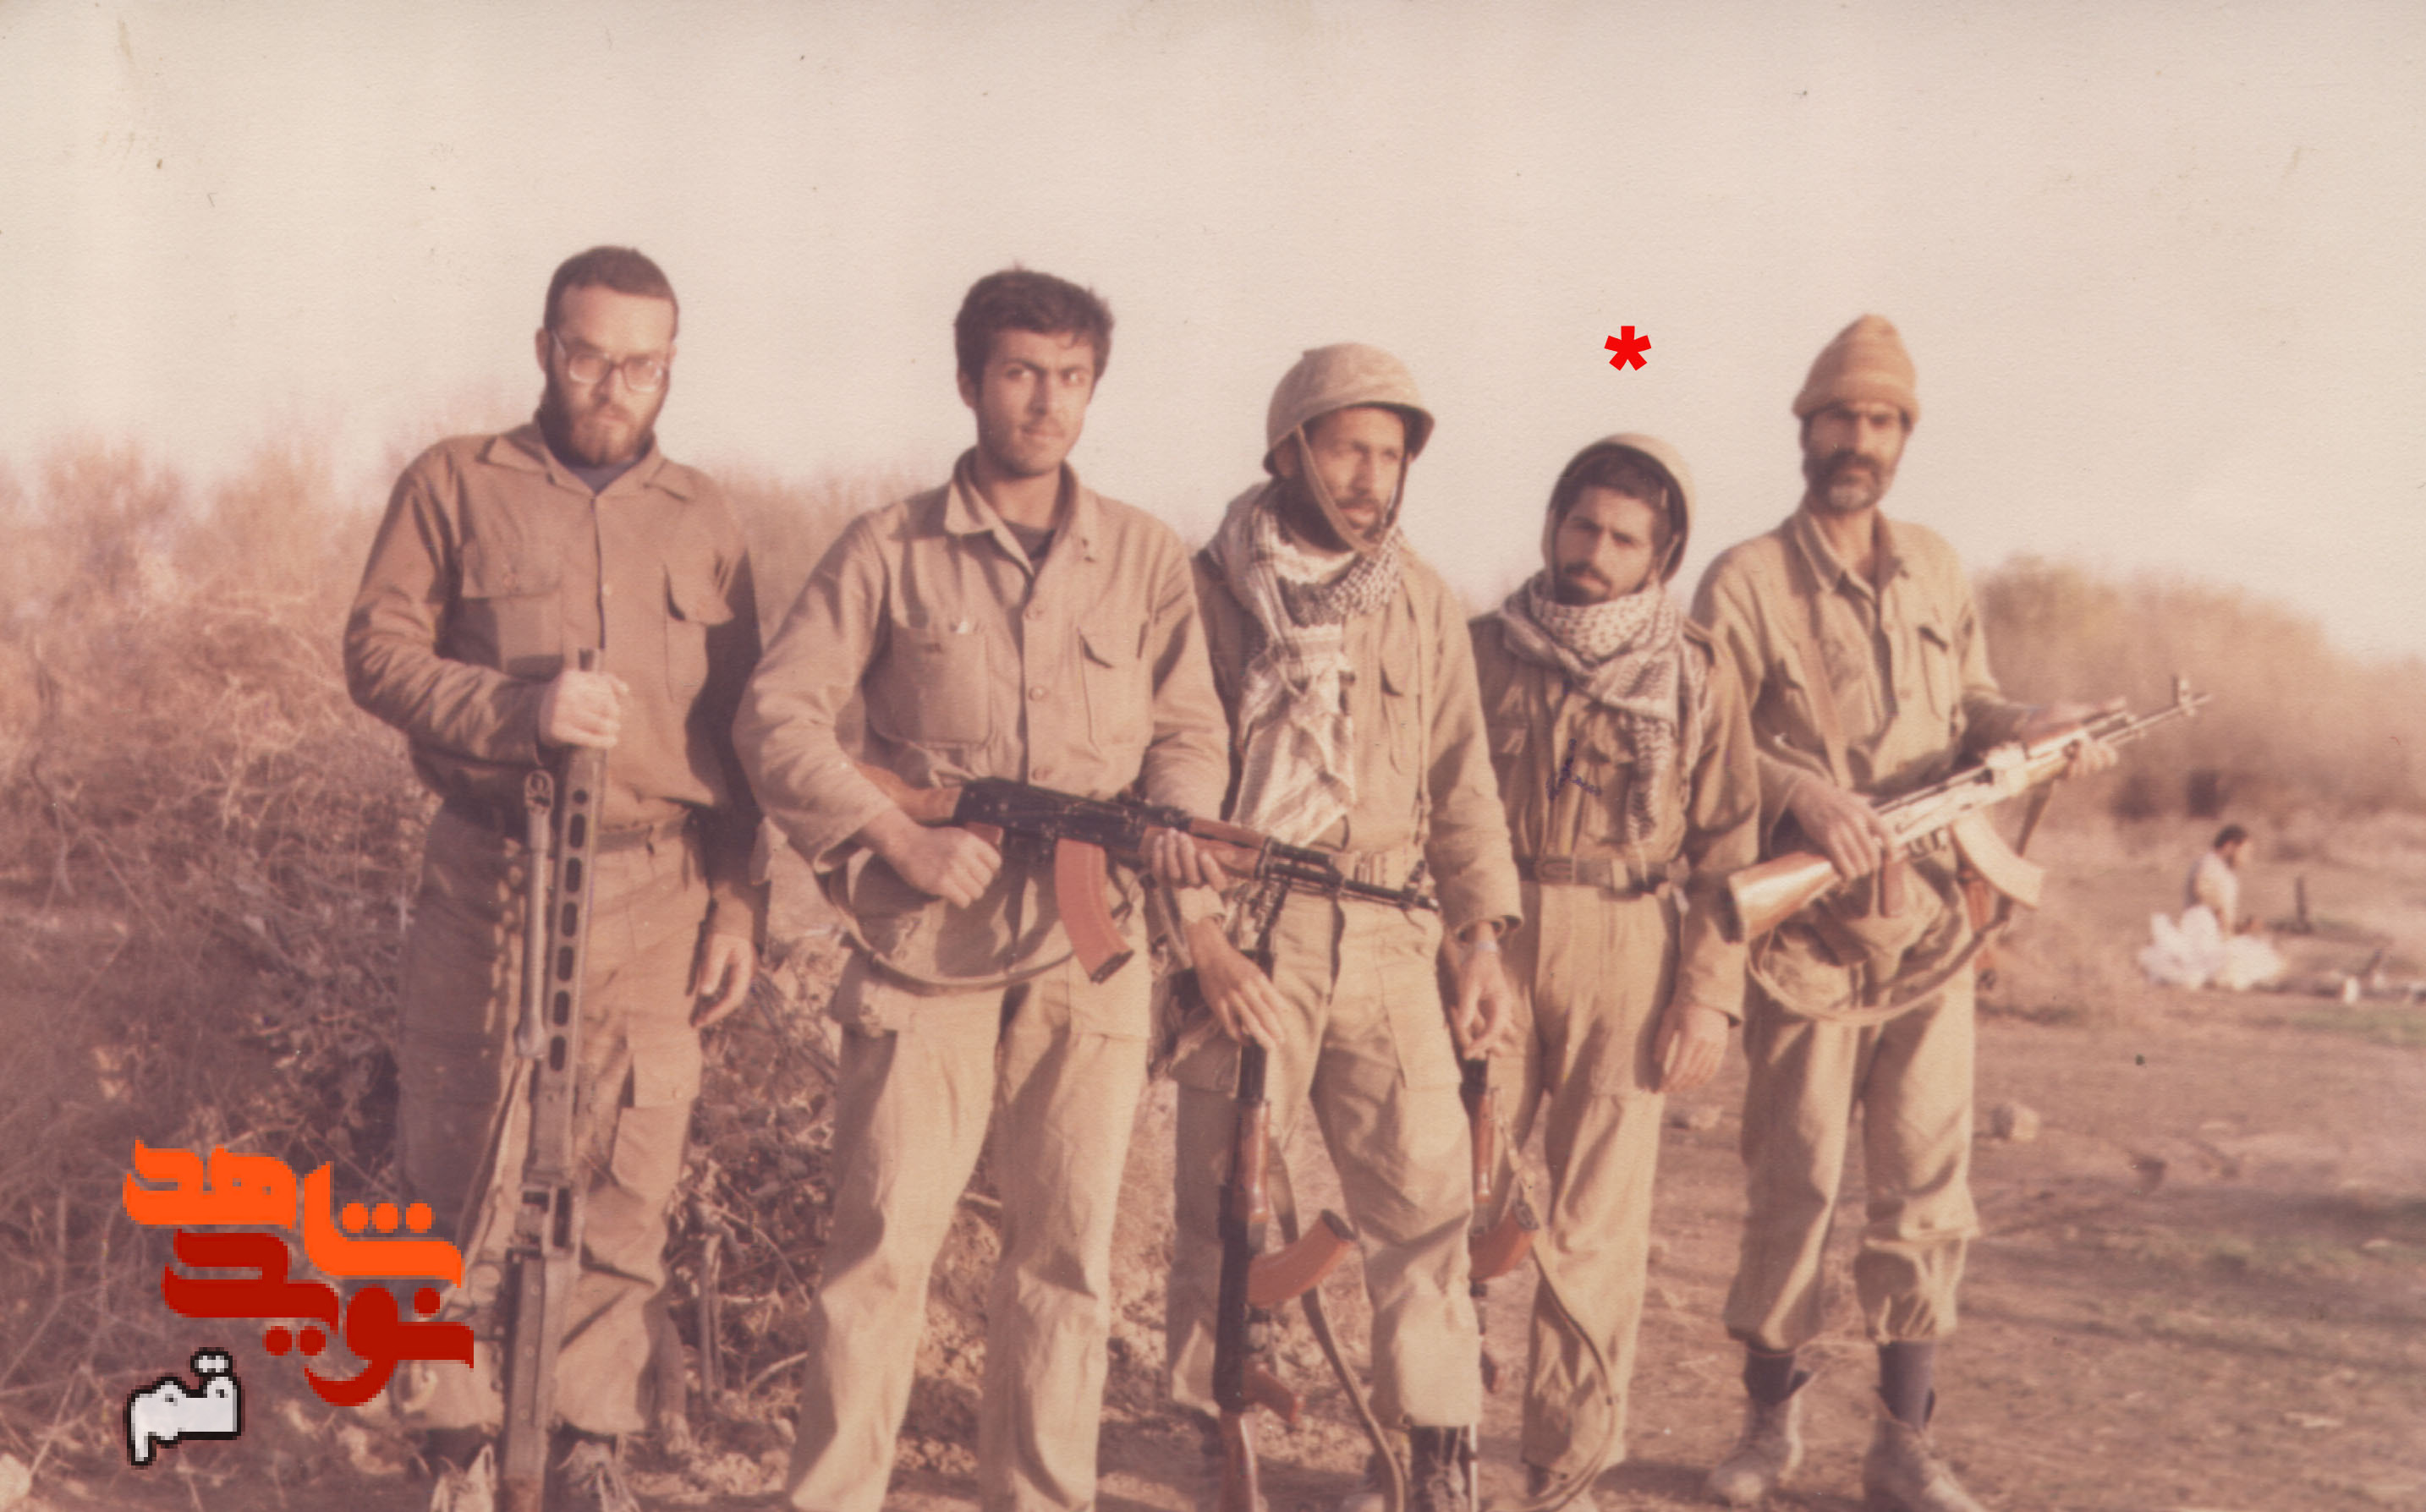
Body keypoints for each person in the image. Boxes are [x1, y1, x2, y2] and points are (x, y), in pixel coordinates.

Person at [732, 268, 1232, 1512]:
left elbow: (1189, 730)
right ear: (968, 381)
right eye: (1019, 373)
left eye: (1071, 378)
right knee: (882, 1252)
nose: (1046, 402)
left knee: (1065, 1261)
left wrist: (1172, 823)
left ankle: (1041, 1495)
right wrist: (892, 840)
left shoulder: (1144, 557)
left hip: (1089, 949)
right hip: (926, 950)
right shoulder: (888, 548)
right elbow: (777, 716)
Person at [345, 245, 765, 1512]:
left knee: (628, 1174)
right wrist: (519, 709)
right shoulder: (455, 482)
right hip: (495, 870)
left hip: (659, 887)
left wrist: (738, 899)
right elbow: (376, 654)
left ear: (671, 368)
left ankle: (587, 1446)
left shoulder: (706, 517)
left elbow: (744, 732)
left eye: (643, 365)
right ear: (545, 350)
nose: (614, 387)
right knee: (460, 1154)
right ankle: (454, 1448)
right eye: (589, 358)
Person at [1690, 315, 2116, 1512]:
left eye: (1883, 422)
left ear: (1903, 438)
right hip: (1805, 942)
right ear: (1805, 426)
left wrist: (2032, 729)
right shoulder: (1744, 581)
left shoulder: (1935, 565)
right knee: (1795, 1184)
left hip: (1930, 931)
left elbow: (1970, 703)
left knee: (1927, 1190)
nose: (1859, 440)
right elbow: (1710, 744)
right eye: (1842, 417)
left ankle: (1902, 1445)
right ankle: (1768, 1432)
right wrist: (1802, 794)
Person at [1164, 343, 1522, 1512]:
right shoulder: (1206, 588)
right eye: (1346, 449)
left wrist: (1482, 939)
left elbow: (1463, 783)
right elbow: (1165, 770)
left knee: (1425, 1204)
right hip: (1249, 930)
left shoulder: (1421, 598)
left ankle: (1432, 1454)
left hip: (1388, 931)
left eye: (1389, 453)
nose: (1371, 476)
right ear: (1289, 453)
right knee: (1226, 1209)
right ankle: (1218, 1435)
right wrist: (1200, 934)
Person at [1466, 435, 1759, 1509]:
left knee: (1593, 1230)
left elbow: (1728, 849)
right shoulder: (1480, 651)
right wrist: (1458, 943)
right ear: (1552, 526)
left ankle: (1564, 1474)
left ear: (1661, 557)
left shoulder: (1698, 671)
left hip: (1629, 937)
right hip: (1490, 935)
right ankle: (1425, 1450)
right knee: (1455, 1200)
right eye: (1582, 526)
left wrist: (1707, 995)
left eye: (1625, 539)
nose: (1596, 552)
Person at [2187, 824, 2253, 934]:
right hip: (2202, 938)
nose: (2246, 859)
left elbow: (2223, 922)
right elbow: (2201, 890)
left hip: (2216, 938)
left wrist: (2241, 928)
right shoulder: (2209, 863)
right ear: (2230, 846)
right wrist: (2221, 913)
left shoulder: (2225, 873)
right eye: (2245, 852)